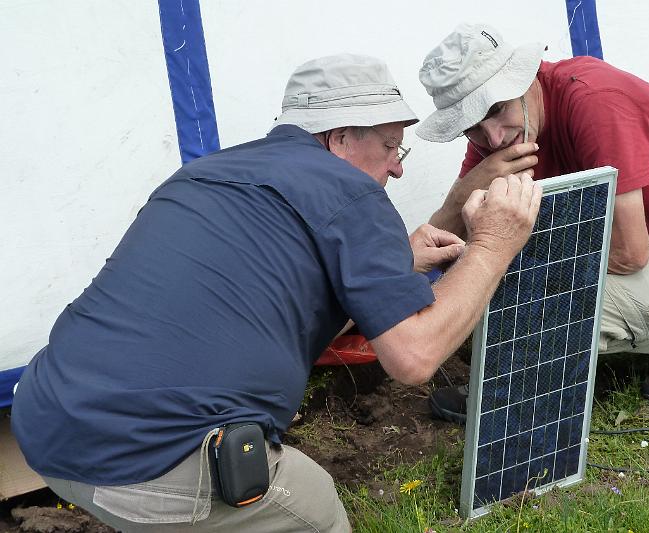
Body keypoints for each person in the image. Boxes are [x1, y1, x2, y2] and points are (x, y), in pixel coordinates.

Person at [11, 53, 543, 532]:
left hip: (47, 428)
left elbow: (271, 287)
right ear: (339, 139)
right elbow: (414, 356)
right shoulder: (350, 191)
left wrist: (393, 260)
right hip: (151, 457)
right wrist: (494, 244)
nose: (398, 166)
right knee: (315, 511)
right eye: (388, 145)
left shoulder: (203, 174)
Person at [416, 23, 649, 422]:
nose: (493, 138)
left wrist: (522, 280)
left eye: (496, 110)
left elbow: (631, 253)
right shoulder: (497, 133)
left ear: (523, 77)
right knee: (488, 287)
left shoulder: (595, 102)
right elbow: (441, 239)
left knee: (536, 305)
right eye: (472, 127)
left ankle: (515, 385)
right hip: (641, 240)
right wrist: (466, 192)